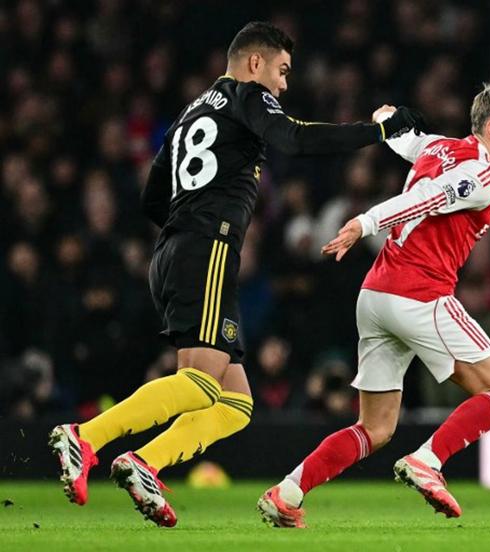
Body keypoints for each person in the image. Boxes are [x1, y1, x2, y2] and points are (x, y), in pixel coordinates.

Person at [47, 21, 424, 527]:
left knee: (236, 401)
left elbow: (152, 197)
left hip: (179, 249)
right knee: (200, 381)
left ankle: (145, 463)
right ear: (255, 63)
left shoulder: (189, 114)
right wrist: (379, 130)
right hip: (206, 246)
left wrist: (190, 228)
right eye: (282, 71)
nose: (284, 86)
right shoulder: (247, 95)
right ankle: (85, 437)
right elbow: (294, 138)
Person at [257, 83, 490, 528]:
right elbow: (428, 198)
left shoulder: (440, 146)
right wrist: (364, 223)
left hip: (375, 296)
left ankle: (287, 491)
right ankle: (428, 460)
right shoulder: (483, 177)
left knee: (376, 428)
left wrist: (384, 118)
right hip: (419, 294)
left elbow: (403, 140)